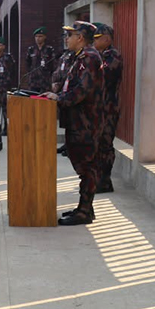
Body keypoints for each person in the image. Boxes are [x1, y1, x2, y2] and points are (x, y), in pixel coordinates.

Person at [41, 21, 104, 225]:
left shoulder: (90, 58)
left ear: (80, 38)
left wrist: (59, 99)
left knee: (87, 166)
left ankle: (85, 211)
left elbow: (82, 90)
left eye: (70, 35)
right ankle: (84, 208)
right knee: (83, 166)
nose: (66, 39)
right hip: (76, 120)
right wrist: (56, 94)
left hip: (86, 122)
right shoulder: (77, 58)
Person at [93, 23, 124, 194]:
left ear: (107, 39)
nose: (94, 42)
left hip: (109, 107)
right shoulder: (99, 55)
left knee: (105, 144)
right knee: (98, 144)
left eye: (97, 39)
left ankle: (105, 180)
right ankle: (99, 179)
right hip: (99, 107)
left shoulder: (113, 56)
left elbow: (100, 76)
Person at [25, 27, 58, 92]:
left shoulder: (49, 50)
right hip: (33, 82)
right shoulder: (31, 49)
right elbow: (27, 63)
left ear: (44, 37)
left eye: (40, 36)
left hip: (45, 81)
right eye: (36, 36)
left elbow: (54, 65)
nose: (38, 38)